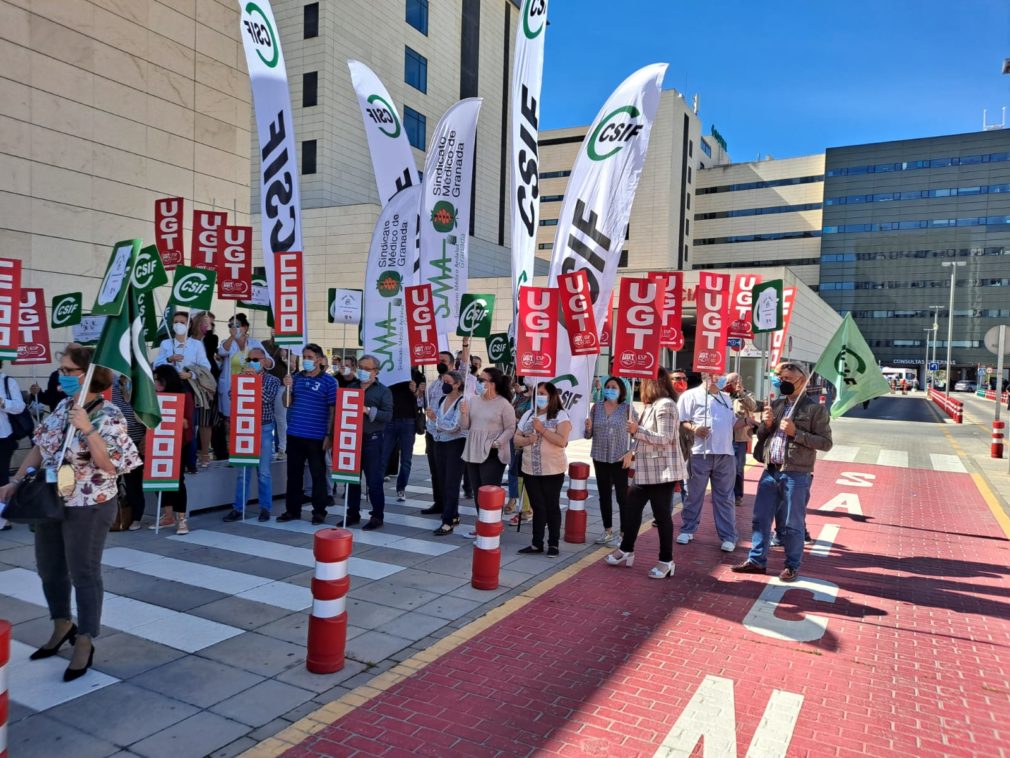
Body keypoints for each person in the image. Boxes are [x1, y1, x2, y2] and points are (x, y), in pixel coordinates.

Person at [0, 345, 142, 681]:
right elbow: (40, 446)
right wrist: (16, 481)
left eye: (68, 371)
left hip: (90, 503)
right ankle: (62, 623)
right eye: (61, 370)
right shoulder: (63, 407)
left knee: (84, 572)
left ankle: (85, 638)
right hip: (52, 499)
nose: (61, 376)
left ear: (91, 375)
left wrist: (88, 430)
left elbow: (113, 465)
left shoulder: (108, 414)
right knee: (49, 568)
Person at [733, 361, 833, 582]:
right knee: (760, 519)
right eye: (779, 378)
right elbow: (764, 438)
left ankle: (792, 565)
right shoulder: (777, 405)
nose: (782, 382)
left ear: (803, 380)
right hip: (770, 470)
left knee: (791, 523)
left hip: (796, 473)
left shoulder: (815, 409)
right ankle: (757, 561)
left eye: (787, 379)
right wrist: (766, 426)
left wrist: (796, 433)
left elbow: (826, 443)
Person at [604, 367, 685, 579]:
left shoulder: (665, 405)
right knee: (631, 510)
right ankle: (626, 549)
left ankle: (666, 560)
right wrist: (632, 450)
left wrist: (636, 431)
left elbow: (665, 438)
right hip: (646, 471)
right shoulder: (651, 406)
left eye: (643, 380)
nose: (640, 385)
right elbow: (644, 439)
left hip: (661, 471)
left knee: (661, 516)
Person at [677, 372, 738, 552]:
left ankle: (728, 536)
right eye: (715, 374)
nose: (720, 377)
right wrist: (695, 428)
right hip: (699, 453)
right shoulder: (690, 395)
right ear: (705, 374)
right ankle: (688, 529)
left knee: (725, 498)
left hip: (725, 454)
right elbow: (681, 421)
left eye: (721, 374)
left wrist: (748, 421)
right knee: (693, 494)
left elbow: (732, 423)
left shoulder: (726, 398)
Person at [278, 344, 337, 525]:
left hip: (316, 436)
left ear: (319, 359)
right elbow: (286, 403)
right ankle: (292, 510)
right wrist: (287, 387)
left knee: (318, 475)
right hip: (295, 433)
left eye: (310, 357)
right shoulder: (296, 377)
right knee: (294, 475)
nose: (306, 360)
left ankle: (319, 511)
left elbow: (333, 410)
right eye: (304, 356)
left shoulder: (329, 382)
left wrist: (329, 435)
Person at [224, 348, 281, 523]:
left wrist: (253, 381)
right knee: (243, 471)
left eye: (256, 359)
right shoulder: (241, 378)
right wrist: (244, 380)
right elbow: (231, 394)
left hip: (263, 428)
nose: (253, 362)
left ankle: (265, 508)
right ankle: (238, 508)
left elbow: (266, 398)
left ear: (264, 361)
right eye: (250, 359)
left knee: (263, 472)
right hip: (245, 428)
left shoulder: (272, 380)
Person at [514, 382, 571, 557]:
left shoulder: (561, 415)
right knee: (538, 507)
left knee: (551, 506)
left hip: (552, 469)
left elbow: (562, 441)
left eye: (543, 393)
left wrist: (542, 430)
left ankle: (553, 544)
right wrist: (527, 441)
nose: (539, 396)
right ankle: (536, 543)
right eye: (537, 393)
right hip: (530, 469)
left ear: (552, 396)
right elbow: (516, 439)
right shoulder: (529, 415)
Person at [459, 367, 515, 534]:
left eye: (483, 380)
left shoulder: (504, 404)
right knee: (477, 490)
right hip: (473, 449)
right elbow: (465, 426)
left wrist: (498, 442)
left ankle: (492, 526)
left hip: (493, 452)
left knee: (489, 490)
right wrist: (463, 414)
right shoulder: (473, 400)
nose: (479, 382)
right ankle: (482, 524)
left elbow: (511, 428)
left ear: (493, 383)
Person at [345, 354, 393, 529]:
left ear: (376, 371)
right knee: (351, 478)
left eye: (367, 369)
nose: (363, 372)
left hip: (372, 440)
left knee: (374, 480)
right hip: (351, 438)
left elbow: (388, 415)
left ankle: (377, 516)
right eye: (360, 368)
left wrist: (368, 410)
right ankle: (352, 512)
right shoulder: (351, 387)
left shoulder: (383, 391)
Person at [585, 376, 633, 546]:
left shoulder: (628, 409)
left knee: (622, 497)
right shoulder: (596, 408)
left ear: (621, 390)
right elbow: (588, 435)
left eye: (614, 387)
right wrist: (588, 428)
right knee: (604, 496)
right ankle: (607, 530)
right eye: (608, 386)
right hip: (599, 456)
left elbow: (638, 435)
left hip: (620, 457)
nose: (610, 389)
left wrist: (631, 453)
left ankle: (624, 532)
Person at [150, 365, 195, 535]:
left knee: (177, 480)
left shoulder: (184, 395)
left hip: (179, 443)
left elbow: (187, 423)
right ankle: (168, 516)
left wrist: (176, 419)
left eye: (157, 379)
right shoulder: (154, 396)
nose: (154, 383)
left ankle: (181, 518)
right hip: (158, 441)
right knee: (159, 476)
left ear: (165, 380)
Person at [427, 370, 467, 536]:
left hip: (455, 444)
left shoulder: (462, 402)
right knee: (442, 479)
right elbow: (435, 422)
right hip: (439, 443)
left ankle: (448, 521)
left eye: (447, 381)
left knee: (451, 482)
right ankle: (452, 513)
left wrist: (436, 419)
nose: (444, 384)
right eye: (443, 380)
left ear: (457, 384)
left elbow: (455, 426)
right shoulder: (443, 398)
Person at [382, 368, 425, 502]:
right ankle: (375, 486)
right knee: (383, 455)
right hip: (390, 419)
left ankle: (401, 488)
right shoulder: (391, 370)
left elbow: (422, 401)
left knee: (406, 459)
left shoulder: (419, 375)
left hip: (409, 421)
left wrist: (416, 391)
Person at [421, 351, 456, 517]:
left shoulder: (454, 384)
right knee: (435, 470)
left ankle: (449, 508)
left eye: (443, 361)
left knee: (447, 473)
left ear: (451, 364)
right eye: (438, 360)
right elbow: (424, 403)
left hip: (447, 432)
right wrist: (419, 392)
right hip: (432, 431)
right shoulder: (434, 383)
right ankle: (438, 502)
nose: (439, 363)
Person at [110, 375, 147, 531]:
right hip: (113, 445)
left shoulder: (140, 390)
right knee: (112, 483)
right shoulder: (111, 389)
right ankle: (114, 517)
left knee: (133, 484)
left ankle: (136, 517)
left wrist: (146, 437)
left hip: (135, 444)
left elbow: (148, 416)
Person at [217, 313, 270, 420]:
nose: (233, 328)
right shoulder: (227, 342)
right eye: (230, 325)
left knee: (245, 418)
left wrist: (261, 361)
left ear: (245, 328)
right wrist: (232, 336)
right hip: (230, 387)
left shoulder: (254, 343)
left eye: (237, 325)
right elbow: (222, 352)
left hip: (248, 387)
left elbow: (269, 362)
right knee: (229, 421)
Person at [189, 311, 219, 468]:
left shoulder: (211, 339)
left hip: (206, 381)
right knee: (190, 418)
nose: (209, 325)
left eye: (211, 323)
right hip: (189, 381)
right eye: (205, 322)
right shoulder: (186, 339)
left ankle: (205, 453)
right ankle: (191, 453)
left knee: (205, 420)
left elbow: (207, 354)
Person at [725, 372, 757, 508]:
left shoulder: (748, 395)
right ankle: (724, 493)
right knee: (723, 468)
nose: (731, 385)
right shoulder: (723, 395)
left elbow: (753, 407)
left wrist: (741, 393)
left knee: (738, 467)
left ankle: (737, 495)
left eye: (733, 382)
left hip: (739, 437)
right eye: (729, 382)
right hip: (724, 436)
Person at [259, 330, 290, 458]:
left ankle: (282, 448)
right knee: (264, 416)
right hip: (265, 383)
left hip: (281, 385)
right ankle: (266, 446)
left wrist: (284, 357)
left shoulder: (288, 346)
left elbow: (293, 367)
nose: (274, 331)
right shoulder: (263, 344)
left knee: (281, 418)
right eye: (272, 328)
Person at [0, 360, 27, 487]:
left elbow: (20, 406)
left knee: (1, 478)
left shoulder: (7, 381)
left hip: (3, 437)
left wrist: (3, 402)